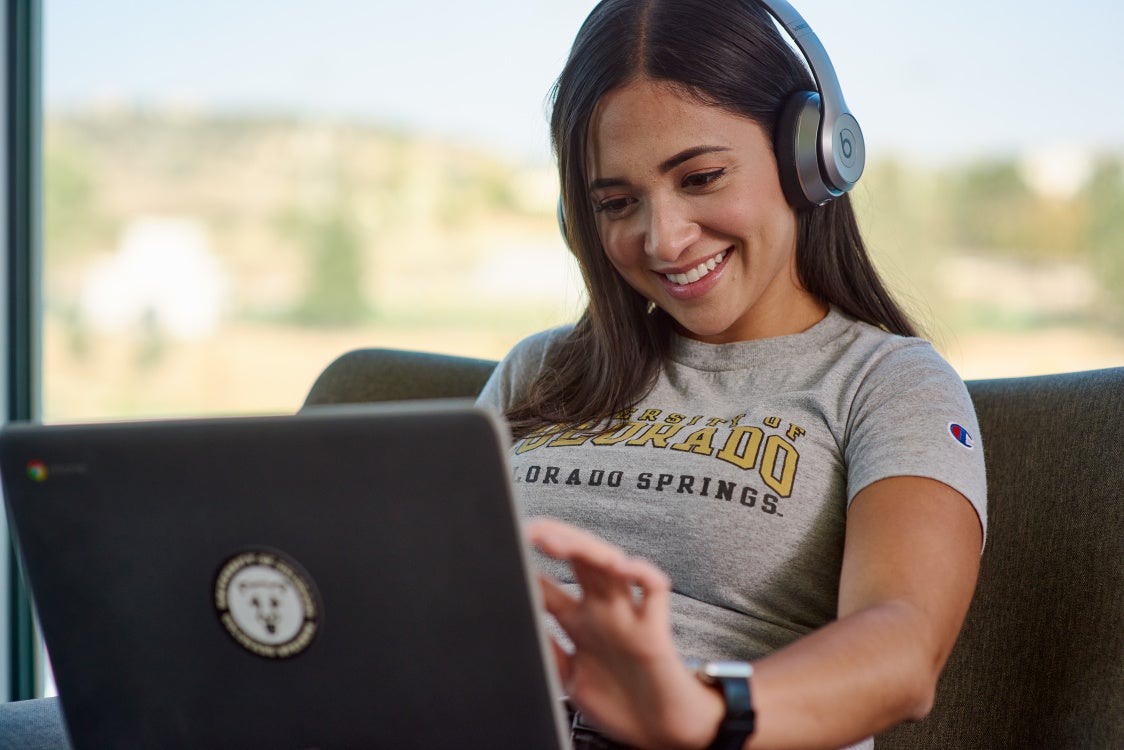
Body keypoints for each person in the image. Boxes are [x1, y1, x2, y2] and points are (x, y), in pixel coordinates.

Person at [474, 1, 987, 748]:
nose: (664, 238)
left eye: (703, 177)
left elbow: (903, 648)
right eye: (617, 202)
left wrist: (702, 710)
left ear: (809, 156)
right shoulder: (540, 370)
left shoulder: (890, 383)